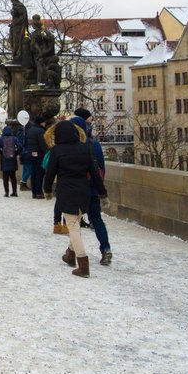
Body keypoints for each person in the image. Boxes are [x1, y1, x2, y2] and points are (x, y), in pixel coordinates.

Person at [42, 119, 108, 278]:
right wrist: (103, 193)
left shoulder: (57, 150)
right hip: (83, 192)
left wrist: (47, 190)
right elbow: (94, 173)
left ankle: (83, 264)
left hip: (66, 191)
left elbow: (50, 173)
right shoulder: (84, 149)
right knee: (76, 222)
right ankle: (70, 255)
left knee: (73, 226)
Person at [71, 108, 113, 265]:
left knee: (74, 221)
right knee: (97, 219)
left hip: (78, 188)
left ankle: (72, 252)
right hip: (93, 187)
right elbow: (101, 168)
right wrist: (100, 188)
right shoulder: (94, 145)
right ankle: (106, 248)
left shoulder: (73, 145)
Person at [23, 113, 49, 199]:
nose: (45, 123)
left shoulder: (30, 130)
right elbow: (43, 144)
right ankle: (39, 192)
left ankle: (34, 192)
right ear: (41, 123)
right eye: (44, 122)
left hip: (31, 154)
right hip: (39, 154)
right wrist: (47, 153)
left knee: (33, 173)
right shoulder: (41, 131)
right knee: (39, 174)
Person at [0, 125, 21, 197]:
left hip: (4, 160)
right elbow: (20, 147)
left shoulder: (1, 139)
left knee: (5, 178)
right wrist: (16, 153)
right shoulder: (14, 138)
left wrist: (1, 152)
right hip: (12, 160)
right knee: (13, 177)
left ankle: (6, 192)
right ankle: (14, 192)